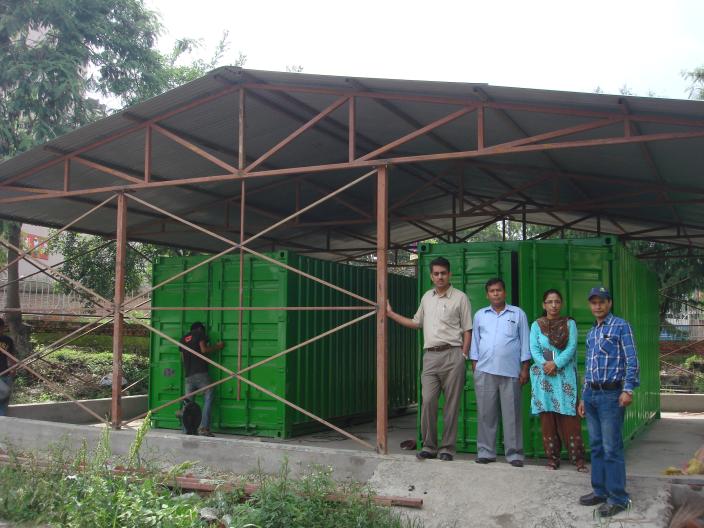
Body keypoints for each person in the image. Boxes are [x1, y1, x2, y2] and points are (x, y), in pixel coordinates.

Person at [387, 257, 472, 461]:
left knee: (451, 405)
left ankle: (447, 449)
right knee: (428, 401)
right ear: (431, 276)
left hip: (453, 354)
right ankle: (429, 446)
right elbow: (416, 323)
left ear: (449, 274)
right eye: (436, 273)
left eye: (443, 273)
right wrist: (391, 314)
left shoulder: (460, 298)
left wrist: (464, 355)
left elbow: (468, 329)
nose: (440, 276)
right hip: (430, 357)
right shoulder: (426, 297)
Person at [577, 286, 639, 518]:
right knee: (596, 445)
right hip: (592, 395)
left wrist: (628, 390)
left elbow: (632, 360)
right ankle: (600, 491)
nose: (598, 306)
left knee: (612, 447)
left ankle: (619, 498)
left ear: (609, 303)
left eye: (602, 301)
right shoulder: (592, 332)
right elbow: (589, 367)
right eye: (593, 302)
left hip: (612, 395)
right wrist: (584, 396)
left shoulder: (621, 326)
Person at [470, 278, 530, 467]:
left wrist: (525, 368)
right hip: (485, 370)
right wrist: (475, 365)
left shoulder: (518, 314)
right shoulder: (480, 315)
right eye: (492, 291)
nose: (496, 294)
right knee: (486, 414)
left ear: (505, 292)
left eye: (499, 290)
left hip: (511, 371)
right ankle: (486, 452)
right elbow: (475, 342)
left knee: (512, 414)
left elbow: (525, 342)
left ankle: (515, 455)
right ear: (487, 295)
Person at [529, 289, 587, 472]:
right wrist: (545, 364)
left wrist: (556, 364)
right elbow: (534, 349)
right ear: (543, 305)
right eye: (549, 302)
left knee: (570, 419)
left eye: (557, 302)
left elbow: (571, 349)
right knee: (547, 419)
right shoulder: (536, 325)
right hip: (544, 378)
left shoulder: (570, 324)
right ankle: (552, 459)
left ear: (561, 304)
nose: (553, 305)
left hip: (564, 378)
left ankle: (578, 460)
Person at [180, 322, 224, 437]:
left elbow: (182, 359)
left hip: (188, 375)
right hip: (201, 373)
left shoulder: (183, 339)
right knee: (209, 395)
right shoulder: (199, 334)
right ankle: (204, 428)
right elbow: (203, 350)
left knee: (188, 403)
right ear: (200, 329)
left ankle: (186, 429)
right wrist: (218, 347)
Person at [0, 318, 17, 417]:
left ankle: (1, 422)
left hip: (5, 375)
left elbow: (11, 357)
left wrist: (13, 371)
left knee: (3, 400)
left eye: (1, 328)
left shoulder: (7, 340)